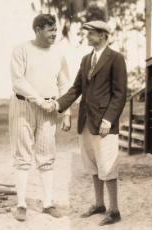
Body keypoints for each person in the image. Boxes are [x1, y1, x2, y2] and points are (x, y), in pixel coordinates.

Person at [52, 20, 127, 226]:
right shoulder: (86, 60)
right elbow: (76, 89)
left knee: (108, 165)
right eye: (87, 33)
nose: (87, 36)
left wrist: (108, 119)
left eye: (91, 33)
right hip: (86, 121)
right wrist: (57, 105)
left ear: (103, 35)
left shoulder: (116, 59)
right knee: (93, 164)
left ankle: (114, 210)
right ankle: (99, 204)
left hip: (104, 124)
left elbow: (120, 94)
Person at [9, 13, 71, 221]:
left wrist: (67, 111)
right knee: (22, 155)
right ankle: (21, 204)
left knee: (47, 155)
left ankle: (47, 203)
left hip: (49, 108)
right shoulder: (21, 50)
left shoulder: (58, 55)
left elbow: (64, 84)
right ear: (37, 30)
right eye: (50, 29)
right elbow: (18, 81)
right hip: (23, 106)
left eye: (56, 29)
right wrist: (38, 100)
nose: (55, 33)